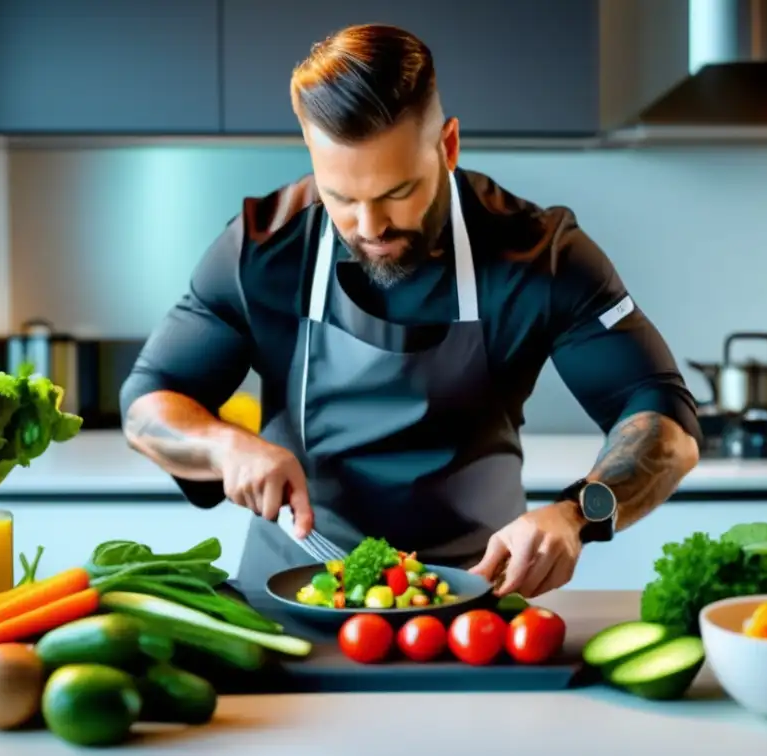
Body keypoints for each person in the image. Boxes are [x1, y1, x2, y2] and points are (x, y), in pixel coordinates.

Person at [120, 23, 701, 604]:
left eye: (397, 192)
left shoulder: (538, 255)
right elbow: (148, 402)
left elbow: (667, 424)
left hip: (475, 604)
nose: (370, 228)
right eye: (342, 198)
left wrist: (578, 514)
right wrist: (226, 447)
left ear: (447, 146)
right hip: (295, 597)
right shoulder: (264, 248)